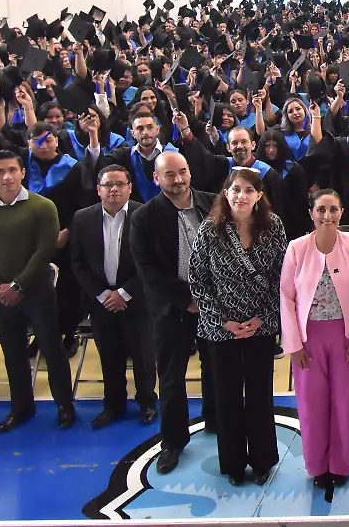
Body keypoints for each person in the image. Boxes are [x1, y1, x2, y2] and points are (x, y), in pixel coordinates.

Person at [188, 167, 286, 486]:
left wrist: (261, 318)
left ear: (259, 195)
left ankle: (262, 461)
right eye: (235, 189)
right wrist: (225, 321)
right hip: (221, 329)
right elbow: (198, 280)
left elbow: (282, 278)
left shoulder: (274, 228)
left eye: (248, 190)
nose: (241, 195)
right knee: (227, 397)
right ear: (226, 194)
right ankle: (232, 464)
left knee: (259, 395)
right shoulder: (208, 229)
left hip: (260, 326)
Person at [129, 152, 217, 474]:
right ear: (157, 178)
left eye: (182, 172)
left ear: (190, 171)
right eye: (169, 175)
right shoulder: (144, 217)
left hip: (215, 305)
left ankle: (216, 420)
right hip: (171, 308)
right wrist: (188, 300)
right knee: (171, 378)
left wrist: (211, 298)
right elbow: (148, 271)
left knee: (216, 367)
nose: (178, 180)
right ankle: (173, 442)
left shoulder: (214, 204)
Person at [280, 190, 349, 489]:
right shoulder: (296, 249)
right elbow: (286, 296)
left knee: (346, 403)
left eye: (333, 209)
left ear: (342, 212)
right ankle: (318, 465)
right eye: (321, 209)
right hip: (308, 340)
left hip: (346, 338)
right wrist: (293, 345)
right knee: (311, 404)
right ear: (311, 214)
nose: (327, 216)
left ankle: (342, 464)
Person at [0, 149, 75, 432]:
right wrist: (0, 288)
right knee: (12, 353)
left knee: (52, 350)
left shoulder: (42, 206)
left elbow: (45, 250)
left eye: (12, 170)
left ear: (22, 172)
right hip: (0, 294)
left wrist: (18, 285)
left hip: (37, 291)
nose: (7, 176)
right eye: (0, 172)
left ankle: (64, 405)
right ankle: (21, 407)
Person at [68, 164, 157, 428]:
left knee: (143, 357)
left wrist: (125, 293)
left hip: (137, 300)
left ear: (130, 188)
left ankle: (147, 403)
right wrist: (103, 294)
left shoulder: (145, 215)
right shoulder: (82, 218)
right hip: (101, 302)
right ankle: (113, 405)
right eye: (108, 185)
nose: (114, 189)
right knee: (109, 355)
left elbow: (152, 262)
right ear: (98, 190)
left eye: (120, 184)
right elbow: (78, 263)